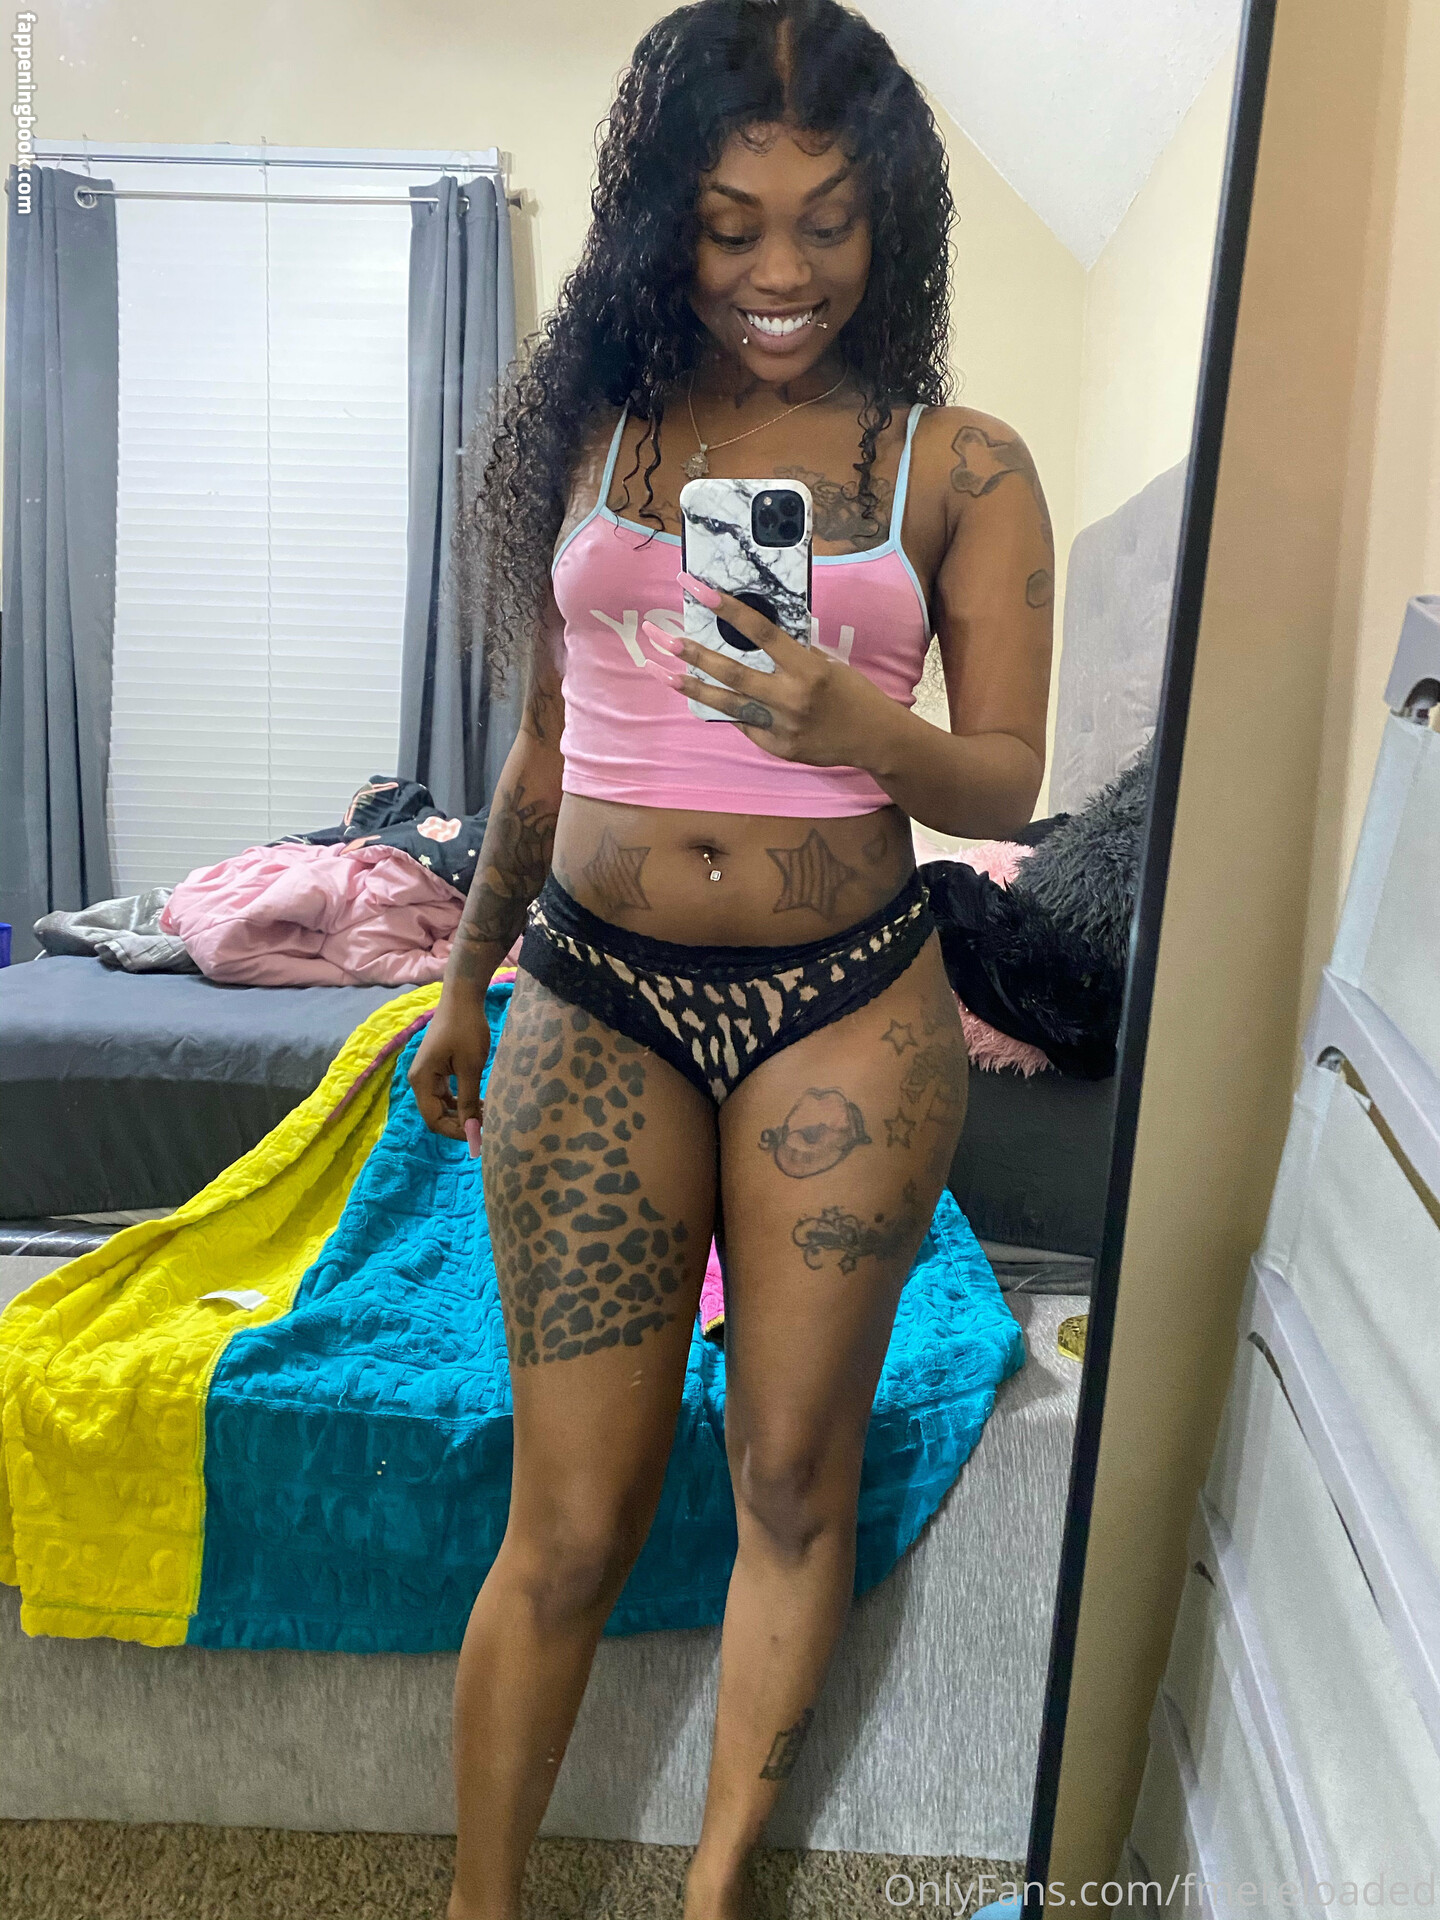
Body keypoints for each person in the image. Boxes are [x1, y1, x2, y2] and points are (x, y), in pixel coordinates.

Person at [409, 2, 1052, 1913]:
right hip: (592, 988)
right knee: (570, 1515)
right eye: (730, 224)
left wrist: (858, 728)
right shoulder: (592, 433)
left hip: (844, 1004)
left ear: (891, 225)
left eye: (829, 223)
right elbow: (545, 747)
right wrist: (460, 975)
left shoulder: (965, 465)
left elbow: (1006, 775)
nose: (783, 272)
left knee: (790, 1476)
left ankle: (712, 1892)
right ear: (660, 225)